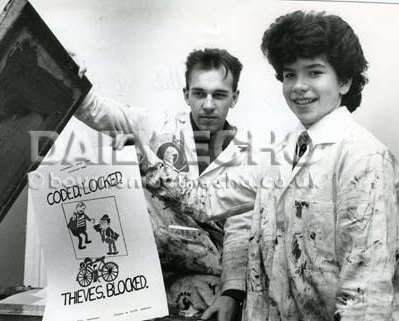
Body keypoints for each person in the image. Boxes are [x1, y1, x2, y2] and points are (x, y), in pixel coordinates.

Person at [143, 11, 398, 321]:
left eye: (314, 72)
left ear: (344, 80)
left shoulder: (363, 156)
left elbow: (366, 294)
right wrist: (145, 158)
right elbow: (207, 199)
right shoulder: (282, 151)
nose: (299, 86)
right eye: (290, 74)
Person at [75, 48, 252, 320]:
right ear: (186, 94)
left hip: (205, 276)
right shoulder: (156, 125)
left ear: (235, 97)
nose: (207, 104)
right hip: (146, 269)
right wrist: (70, 73)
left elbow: (241, 234)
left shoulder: (248, 157)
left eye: (219, 95)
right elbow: (95, 110)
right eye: (199, 93)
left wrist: (232, 293)